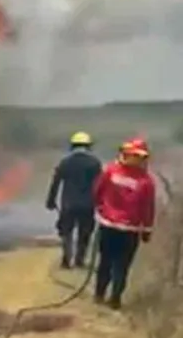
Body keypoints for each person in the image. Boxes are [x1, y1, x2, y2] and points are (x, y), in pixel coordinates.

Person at [92, 138, 156, 309]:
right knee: (122, 265)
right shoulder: (146, 181)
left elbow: (97, 192)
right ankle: (115, 299)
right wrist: (147, 230)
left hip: (108, 225)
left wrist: (100, 209)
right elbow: (148, 208)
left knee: (105, 261)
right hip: (130, 229)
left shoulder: (110, 171)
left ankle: (99, 295)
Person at [46, 131, 103, 268]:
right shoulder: (95, 163)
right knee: (85, 233)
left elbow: (56, 182)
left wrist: (51, 201)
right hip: (88, 205)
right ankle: (80, 260)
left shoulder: (65, 162)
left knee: (66, 232)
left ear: (72, 146)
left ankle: (66, 260)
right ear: (89, 146)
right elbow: (101, 185)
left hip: (68, 205)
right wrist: (102, 203)